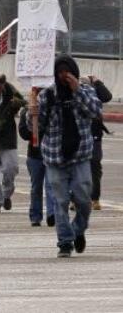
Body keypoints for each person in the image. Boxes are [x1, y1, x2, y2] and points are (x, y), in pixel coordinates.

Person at [38, 54, 102, 257]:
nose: (64, 76)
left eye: (68, 72)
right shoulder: (46, 95)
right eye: (60, 73)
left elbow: (95, 111)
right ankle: (65, 241)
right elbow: (38, 126)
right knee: (61, 200)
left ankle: (78, 230)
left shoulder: (86, 91)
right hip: (55, 156)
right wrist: (30, 115)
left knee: (83, 199)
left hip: (80, 155)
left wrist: (77, 91)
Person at [0, 73, 24, 212]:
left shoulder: (11, 91)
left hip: (8, 139)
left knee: (11, 169)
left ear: (4, 84)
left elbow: (23, 102)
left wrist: (16, 104)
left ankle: (7, 194)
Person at [18, 107, 56, 227]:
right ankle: (35, 216)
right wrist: (31, 120)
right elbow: (23, 133)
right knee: (36, 188)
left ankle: (52, 214)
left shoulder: (53, 107)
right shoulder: (27, 110)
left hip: (51, 153)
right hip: (35, 155)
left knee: (51, 185)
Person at [85, 73, 112, 211]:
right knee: (77, 169)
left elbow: (107, 96)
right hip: (79, 137)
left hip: (95, 137)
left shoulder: (95, 95)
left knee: (94, 168)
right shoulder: (74, 93)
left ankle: (94, 199)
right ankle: (75, 199)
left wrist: (97, 82)